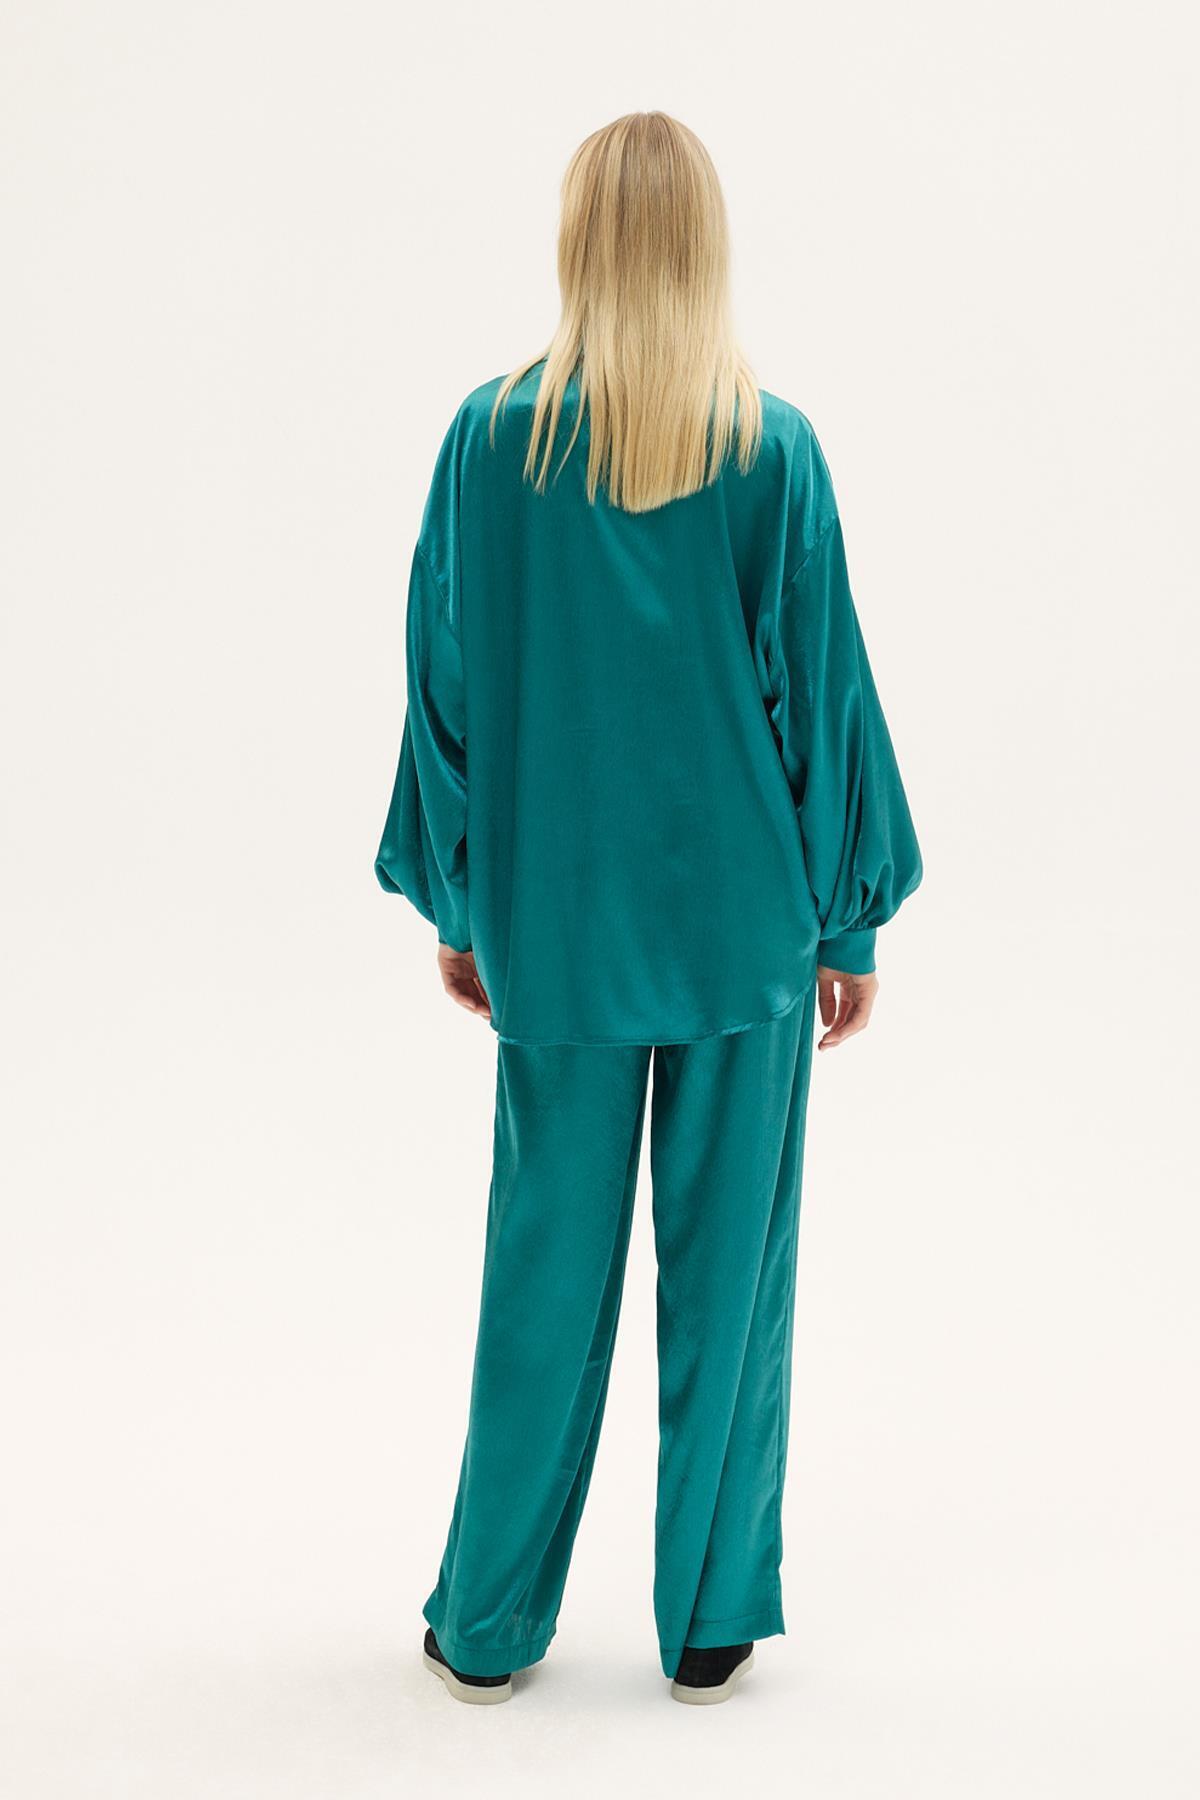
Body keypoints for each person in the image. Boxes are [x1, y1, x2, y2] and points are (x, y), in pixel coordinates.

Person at [375, 111, 922, 1707]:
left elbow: (447, 684)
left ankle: (488, 1623)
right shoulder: (770, 449)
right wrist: (848, 922)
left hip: (556, 923)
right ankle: (706, 1622)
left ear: (577, 243)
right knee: (733, 1276)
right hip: (746, 925)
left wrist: (462, 902)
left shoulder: (490, 440)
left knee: (541, 1267)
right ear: (705, 248)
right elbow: (818, 693)